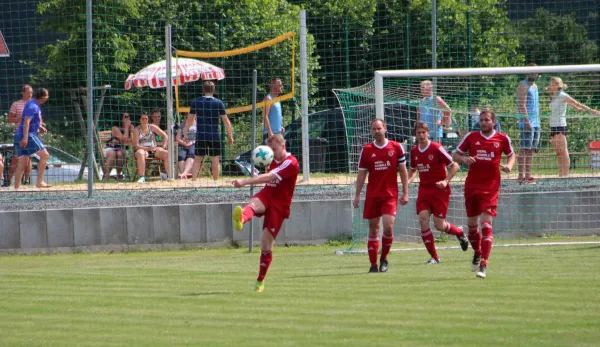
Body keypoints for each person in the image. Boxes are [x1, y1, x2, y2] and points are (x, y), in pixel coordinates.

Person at [231, 134, 299, 293]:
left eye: (275, 149)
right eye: (271, 150)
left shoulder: (291, 163)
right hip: (267, 194)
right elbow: (267, 176)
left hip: (280, 204)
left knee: (265, 244)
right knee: (252, 204)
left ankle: (260, 281)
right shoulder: (270, 159)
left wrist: (245, 181)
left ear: (283, 146)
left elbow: (268, 176)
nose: (273, 153)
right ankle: (241, 217)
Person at [452, 109, 515, 279]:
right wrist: (464, 159)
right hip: (472, 186)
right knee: (472, 227)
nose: (484, 122)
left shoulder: (502, 138)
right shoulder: (471, 137)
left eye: (487, 120)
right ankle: (477, 252)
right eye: (481, 120)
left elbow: (511, 155)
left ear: (493, 122)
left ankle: (483, 264)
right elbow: (455, 154)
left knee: (486, 225)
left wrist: (509, 165)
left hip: (491, 187)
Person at [407, 122, 469, 264]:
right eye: (418, 132)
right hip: (424, 190)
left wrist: (446, 181)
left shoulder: (437, 148)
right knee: (423, 220)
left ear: (428, 133)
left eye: (424, 132)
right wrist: (407, 183)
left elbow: (455, 166)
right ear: (415, 135)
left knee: (439, 226)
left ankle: (459, 233)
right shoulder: (414, 151)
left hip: (440, 191)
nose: (421, 135)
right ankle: (434, 257)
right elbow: (413, 170)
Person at [353, 119, 409, 273]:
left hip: (390, 195)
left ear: (385, 129)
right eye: (374, 129)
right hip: (372, 195)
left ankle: (384, 258)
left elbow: (403, 171)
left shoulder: (396, 147)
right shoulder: (366, 150)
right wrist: (357, 195)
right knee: (373, 228)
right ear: (371, 131)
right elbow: (361, 175)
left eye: (379, 128)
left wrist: (405, 192)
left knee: (388, 226)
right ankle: (373, 265)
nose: (377, 131)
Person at [547, 77, 600, 177]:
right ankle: (561, 174)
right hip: (553, 126)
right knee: (558, 152)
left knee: (563, 150)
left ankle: (566, 175)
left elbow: (576, 102)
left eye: (553, 84)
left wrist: (593, 111)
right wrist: (576, 108)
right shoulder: (554, 96)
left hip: (560, 125)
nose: (551, 85)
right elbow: (568, 104)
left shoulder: (562, 95)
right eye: (550, 84)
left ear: (558, 86)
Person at [184, 81, 234, 183]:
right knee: (215, 160)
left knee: (197, 159)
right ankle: (215, 182)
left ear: (203, 89)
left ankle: (194, 181)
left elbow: (189, 120)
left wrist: (185, 132)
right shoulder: (218, 103)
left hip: (201, 135)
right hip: (214, 135)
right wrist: (230, 136)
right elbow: (226, 121)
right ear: (214, 89)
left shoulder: (196, 101)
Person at [14, 88, 51, 189]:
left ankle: (16, 187)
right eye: (47, 97)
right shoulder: (32, 106)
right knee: (45, 155)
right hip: (27, 135)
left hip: (20, 134)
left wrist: (39, 126)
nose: (47, 99)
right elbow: (26, 121)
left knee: (24, 161)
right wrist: (25, 138)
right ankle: (39, 182)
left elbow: (31, 119)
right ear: (43, 97)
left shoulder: (32, 103)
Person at [516, 64, 541, 184]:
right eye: (532, 72)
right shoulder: (523, 85)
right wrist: (526, 121)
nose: (534, 74)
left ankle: (528, 175)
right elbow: (522, 105)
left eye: (536, 72)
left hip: (536, 122)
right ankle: (521, 175)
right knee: (524, 148)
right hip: (527, 122)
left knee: (531, 149)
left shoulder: (535, 86)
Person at [5, 85, 34, 186]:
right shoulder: (16, 104)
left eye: (31, 93)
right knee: (16, 157)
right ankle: (7, 181)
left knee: (29, 157)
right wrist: (22, 119)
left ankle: (26, 180)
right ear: (23, 93)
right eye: (28, 92)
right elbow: (9, 119)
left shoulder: (34, 105)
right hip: (19, 134)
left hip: (31, 134)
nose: (30, 95)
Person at [132, 113, 169, 183]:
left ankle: (168, 175)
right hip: (142, 149)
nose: (144, 120)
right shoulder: (136, 130)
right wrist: (148, 149)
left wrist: (163, 147)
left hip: (153, 149)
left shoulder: (152, 127)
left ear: (148, 119)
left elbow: (165, 136)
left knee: (166, 153)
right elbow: (135, 145)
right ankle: (142, 177)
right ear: (140, 120)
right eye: (142, 118)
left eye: (146, 118)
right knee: (141, 153)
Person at [102, 112, 134, 180]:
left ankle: (118, 175)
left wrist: (128, 131)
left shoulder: (131, 127)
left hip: (123, 149)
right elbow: (124, 140)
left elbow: (133, 140)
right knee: (112, 153)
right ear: (121, 119)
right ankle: (106, 176)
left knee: (119, 154)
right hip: (110, 148)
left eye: (128, 117)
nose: (127, 119)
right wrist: (126, 128)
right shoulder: (115, 128)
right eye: (125, 117)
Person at [175, 115, 196, 179]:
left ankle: (184, 173)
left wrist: (192, 142)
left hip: (194, 143)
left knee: (191, 154)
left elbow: (200, 137)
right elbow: (178, 138)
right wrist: (183, 143)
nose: (188, 118)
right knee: (181, 156)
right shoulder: (182, 125)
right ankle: (184, 174)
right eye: (186, 117)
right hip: (183, 144)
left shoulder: (198, 125)